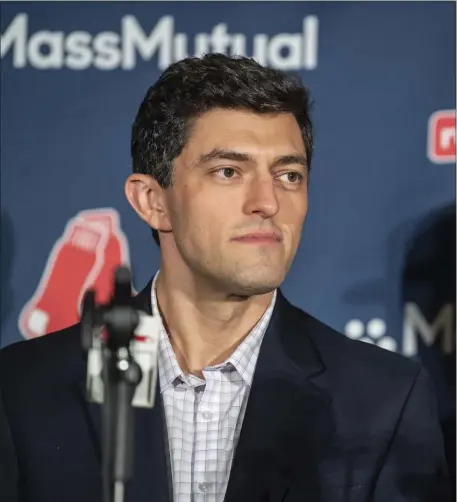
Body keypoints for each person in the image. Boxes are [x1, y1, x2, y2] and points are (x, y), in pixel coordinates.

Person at [0, 54, 450, 502]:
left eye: (289, 175)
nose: (267, 202)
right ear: (152, 201)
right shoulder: (25, 387)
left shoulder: (382, 402)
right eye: (228, 172)